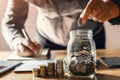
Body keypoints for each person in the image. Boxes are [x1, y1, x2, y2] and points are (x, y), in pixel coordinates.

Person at [1, 0, 120, 57]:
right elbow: (11, 21)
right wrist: (17, 41)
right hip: (47, 42)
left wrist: (110, 9)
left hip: (90, 40)